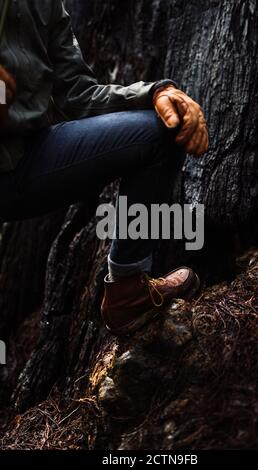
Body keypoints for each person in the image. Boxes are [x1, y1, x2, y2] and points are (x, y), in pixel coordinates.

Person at [0, 0, 209, 335]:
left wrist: (155, 93)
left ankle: (128, 292)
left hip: (23, 165)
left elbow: (80, 95)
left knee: (160, 133)